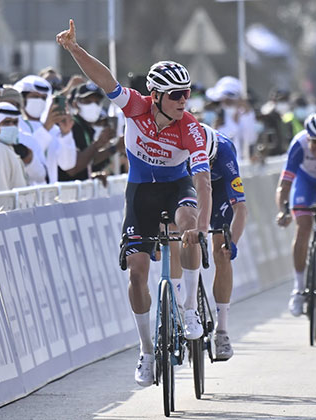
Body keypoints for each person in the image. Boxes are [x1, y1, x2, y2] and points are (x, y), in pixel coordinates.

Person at [57, 19, 212, 387]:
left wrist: (202, 228)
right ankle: (145, 352)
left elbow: (202, 180)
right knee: (137, 272)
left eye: (187, 94)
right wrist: (75, 49)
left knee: (188, 224)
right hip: (140, 192)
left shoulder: (190, 127)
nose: (183, 101)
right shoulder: (136, 107)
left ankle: (189, 308)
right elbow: (105, 80)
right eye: (176, 95)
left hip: (177, 187)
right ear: (156, 95)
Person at [275, 112, 316, 316]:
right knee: (303, 227)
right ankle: (299, 288)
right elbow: (285, 184)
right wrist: (284, 210)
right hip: (307, 180)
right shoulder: (299, 143)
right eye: (315, 142)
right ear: (307, 137)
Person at [202, 123, 247, 360]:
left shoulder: (225, 152)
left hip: (219, 189)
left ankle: (222, 330)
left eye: (209, 163)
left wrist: (233, 242)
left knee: (221, 251)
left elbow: (240, 208)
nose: (206, 168)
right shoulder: (180, 147)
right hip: (188, 184)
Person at [14, 75, 76, 184]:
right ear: (22, 99)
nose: (40, 101)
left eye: (43, 98)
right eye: (35, 96)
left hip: (49, 196)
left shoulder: (54, 129)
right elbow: (30, 157)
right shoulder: (16, 125)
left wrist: (66, 134)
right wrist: (46, 128)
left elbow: (67, 164)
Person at [58, 82, 116, 181]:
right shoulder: (71, 126)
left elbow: (89, 160)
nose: (93, 105)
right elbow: (72, 168)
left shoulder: (87, 128)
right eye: (87, 101)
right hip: (66, 192)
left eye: (97, 102)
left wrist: (91, 175)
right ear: (75, 104)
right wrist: (97, 144)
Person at [0, 102, 29, 190]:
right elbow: (1, 187)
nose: (12, 126)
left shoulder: (7, 148)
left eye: (15, 122)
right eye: (6, 122)